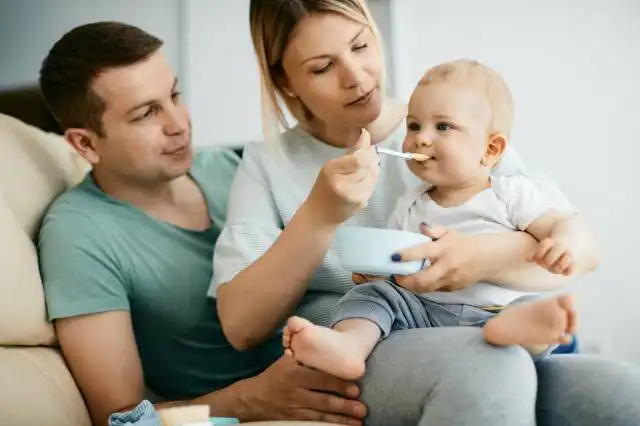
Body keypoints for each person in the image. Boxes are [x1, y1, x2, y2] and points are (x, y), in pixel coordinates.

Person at [211, 1, 640, 425]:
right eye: (323, 68)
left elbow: (573, 253)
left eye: (361, 47)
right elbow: (242, 327)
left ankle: (513, 332)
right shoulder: (267, 164)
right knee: (474, 364)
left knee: (617, 392)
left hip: (493, 316)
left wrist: (477, 258)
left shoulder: (459, 122)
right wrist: (320, 215)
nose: (356, 78)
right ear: (286, 81)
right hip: (391, 341)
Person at [37, 22, 369, 426]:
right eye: (146, 114)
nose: (178, 124)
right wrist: (251, 399)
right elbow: (121, 417)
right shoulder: (77, 235)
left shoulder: (233, 168)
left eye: (174, 95)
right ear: (85, 143)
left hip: (351, 354)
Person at [281, 59, 594, 380]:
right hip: (425, 315)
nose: (421, 138)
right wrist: (378, 275)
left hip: (494, 311)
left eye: (443, 126)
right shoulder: (410, 203)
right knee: (369, 297)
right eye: (414, 126)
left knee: (529, 306)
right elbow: (400, 270)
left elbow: (561, 222)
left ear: (490, 148)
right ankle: (351, 344)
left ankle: (517, 333)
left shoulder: (510, 194)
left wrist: (564, 241)